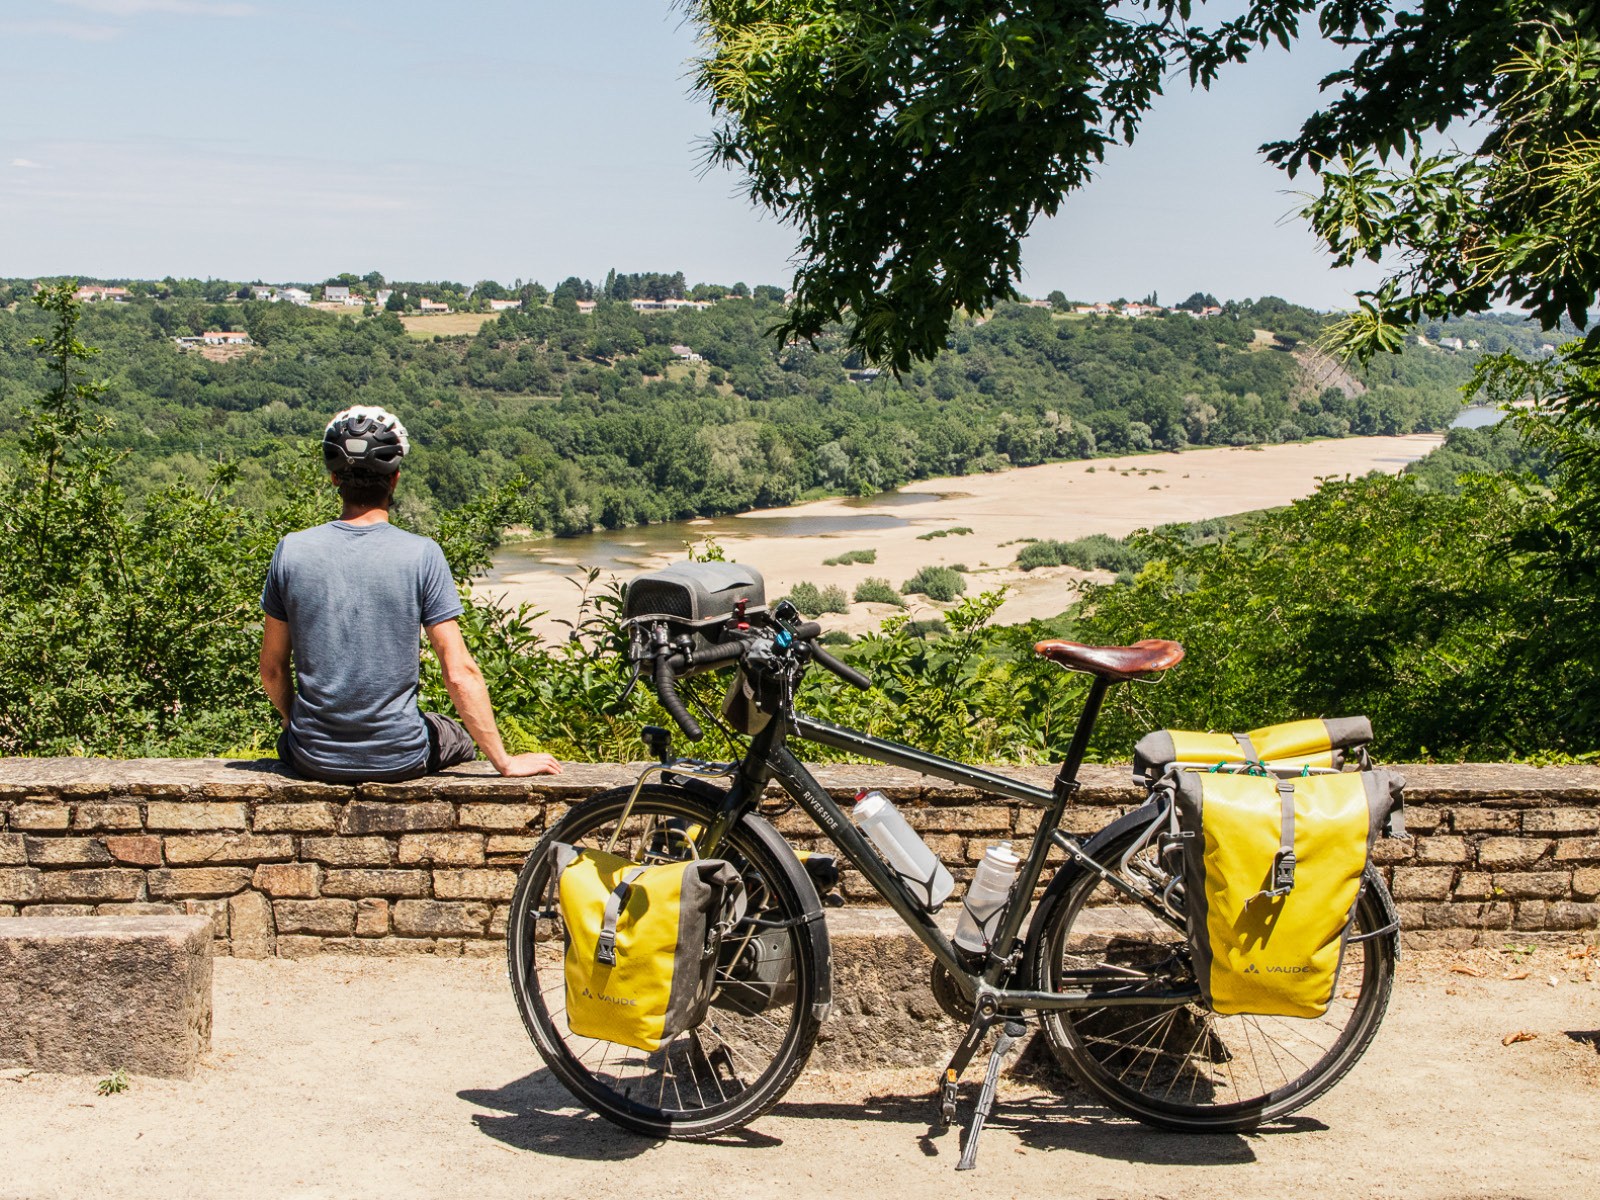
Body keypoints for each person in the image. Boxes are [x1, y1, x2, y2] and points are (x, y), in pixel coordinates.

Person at [259, 406, 561, 782]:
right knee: (454, 734)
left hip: (312, 757)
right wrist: (505, 762)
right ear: (395, 479)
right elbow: (459, 672)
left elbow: (271, 670)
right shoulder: (422, 554)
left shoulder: (291, 550)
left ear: (335, 479)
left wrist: (297, 723)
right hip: (397, 758)